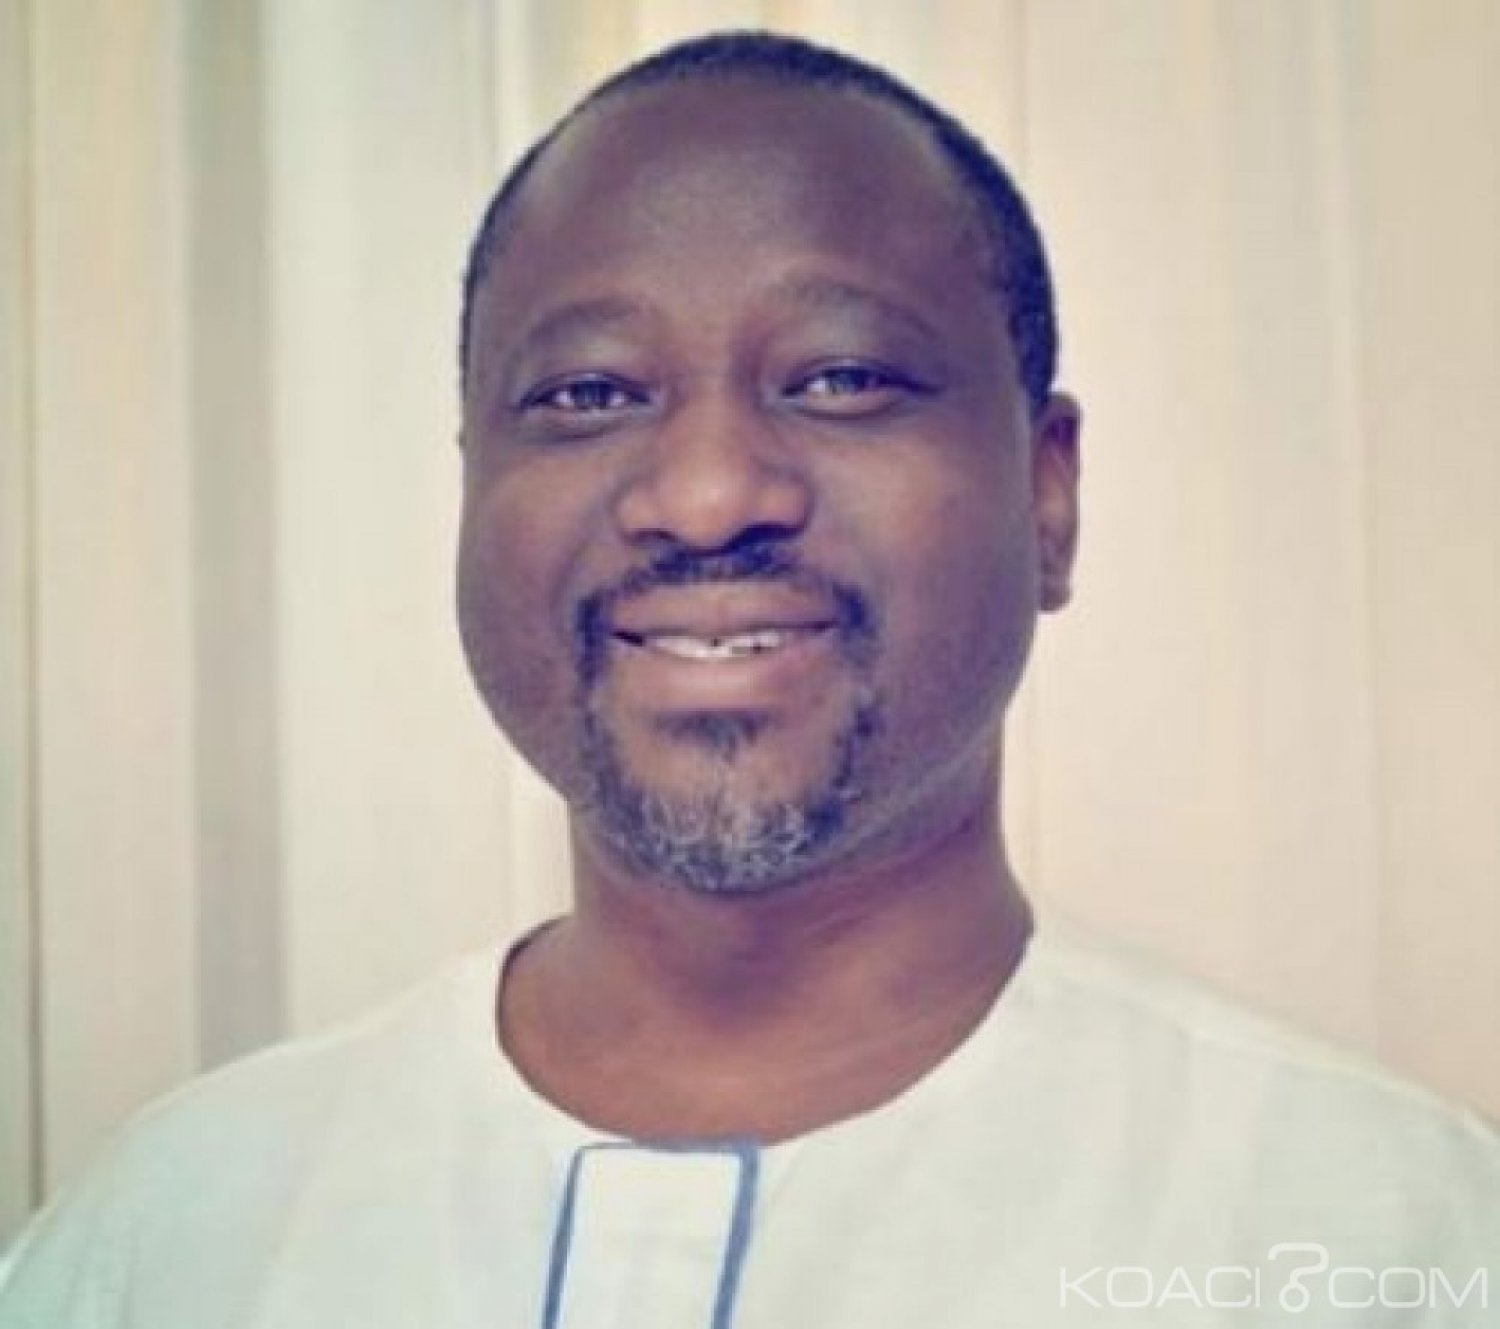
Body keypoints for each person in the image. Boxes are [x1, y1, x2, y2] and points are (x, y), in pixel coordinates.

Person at [2, 30, 1497, 1329]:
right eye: (588, 392)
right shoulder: (169, 1235)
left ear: (1047, 496)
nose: (709, 494)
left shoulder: (1387, 1237)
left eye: (842, 377)